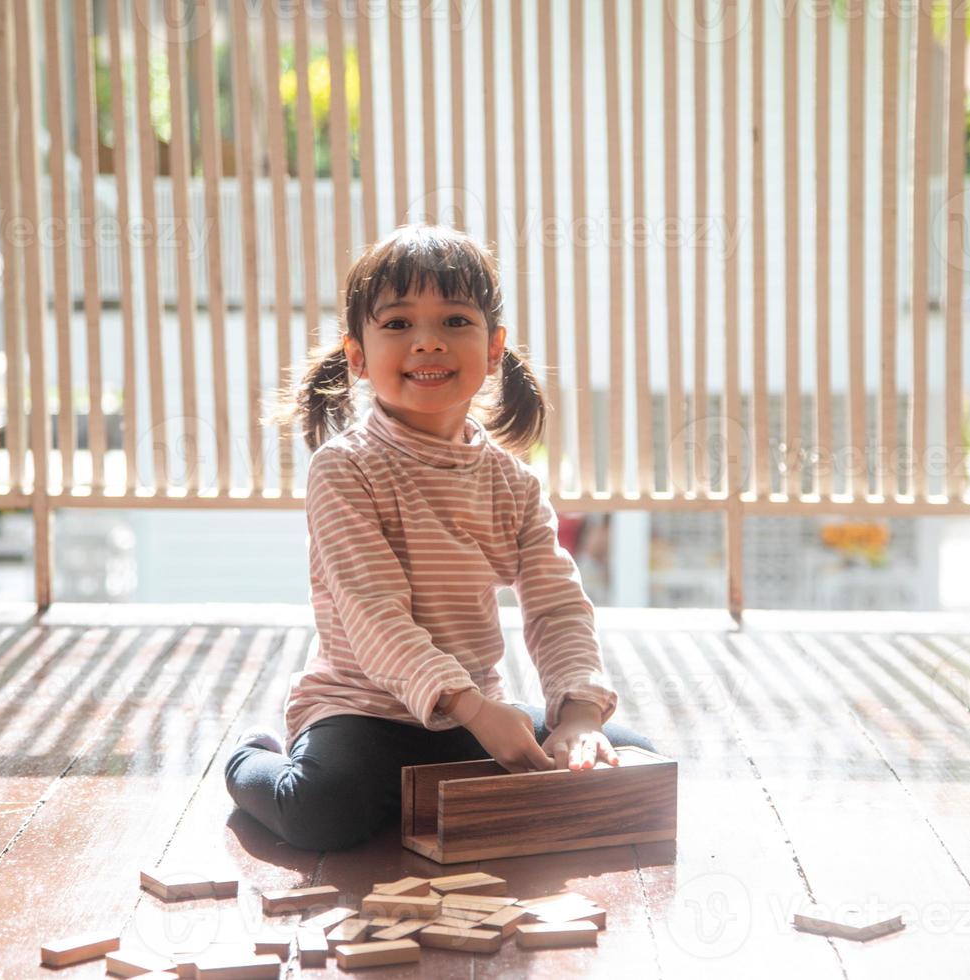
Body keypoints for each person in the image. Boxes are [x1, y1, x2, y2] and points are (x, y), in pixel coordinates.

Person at [223, 223, 658, 852]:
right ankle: (251, 756)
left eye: (455, 321)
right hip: (362, 710)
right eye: (398, 324)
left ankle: (421, 786)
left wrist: (579, 715)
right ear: (358, 356)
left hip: (476, 716)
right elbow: (376, 618)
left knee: (631, 759)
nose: (427, 343)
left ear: (493, 348)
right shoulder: (345, 468)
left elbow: (557, 606)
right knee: (322, 812)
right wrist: (475, 710)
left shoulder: (513, 483)